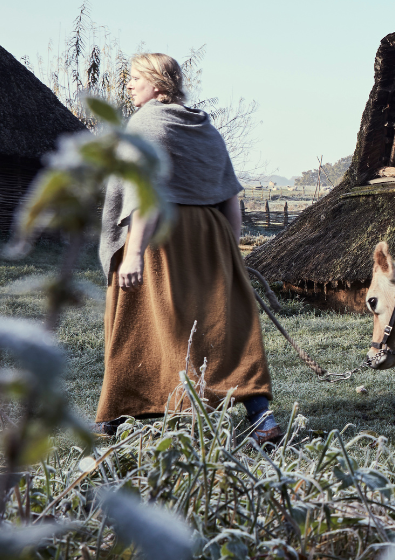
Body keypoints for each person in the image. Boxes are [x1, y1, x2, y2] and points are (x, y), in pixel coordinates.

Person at [93, 53, 280, 444]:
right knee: (226, 323)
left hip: (161, 236)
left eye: (135, 79)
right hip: (212, 235)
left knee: (137, 324)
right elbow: (231, 197)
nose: (129, 85)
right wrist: (230, 251)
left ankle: (109, 421)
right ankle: (262, 418)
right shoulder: (206, 129)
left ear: (158, 85)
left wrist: (131, 253)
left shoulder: (144, 125)